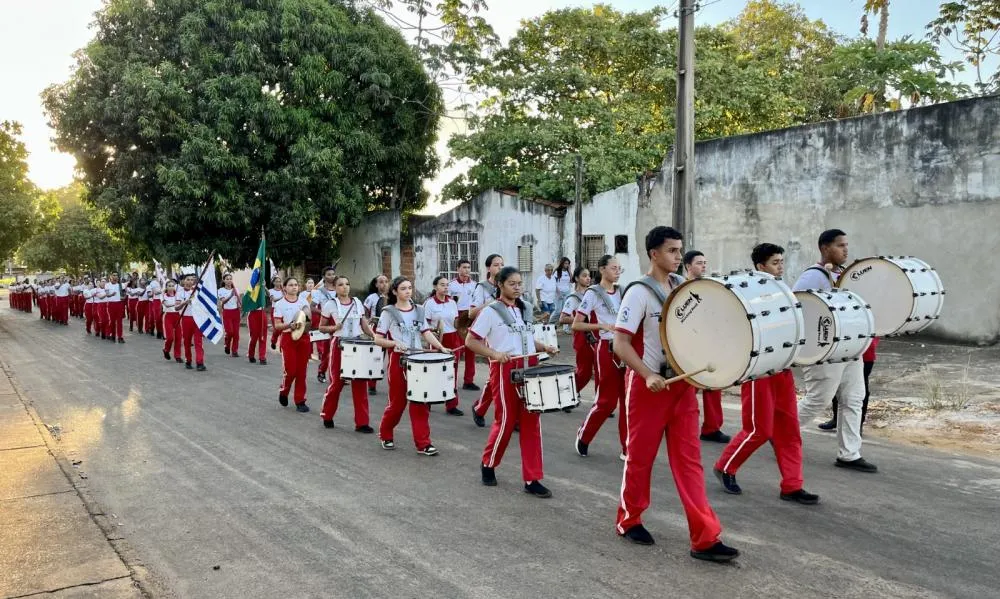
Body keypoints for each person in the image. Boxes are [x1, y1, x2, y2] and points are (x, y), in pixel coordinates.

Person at [612, 226, 738, 562]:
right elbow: (620, 344)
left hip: (683, 388)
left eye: (680, 251)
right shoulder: (637, 292)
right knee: (640, 459)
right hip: (648, 388)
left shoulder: (685, 289)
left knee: (690, 463)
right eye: (672, 251)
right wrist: (647, 374)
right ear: (653, 253)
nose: (678, 257)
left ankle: (705, 538)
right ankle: (629, 519)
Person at [713, 243, 819, 505]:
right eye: (775, 262)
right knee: (759, 429)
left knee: (789, 431)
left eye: (782, 261)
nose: (780, 266)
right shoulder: (746, 294)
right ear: (760, 267)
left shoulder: (784, 293)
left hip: (782, 370)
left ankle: (792, 486)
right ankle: (725, 467)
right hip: (757, 372)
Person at [466, 266, 559, 497]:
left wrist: (545, 347)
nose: (518, 288)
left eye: (520, 284)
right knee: (505, 422)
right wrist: (495, 354)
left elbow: (526, 338)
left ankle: (532, 478)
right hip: (504, 369)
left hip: (530, 367)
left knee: (531, 424)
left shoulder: (526, 309)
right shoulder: (490, 312)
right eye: (512, 284)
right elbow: (471, 341)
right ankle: (488, 464)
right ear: (500, 285)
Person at [793, 229, 877, 473]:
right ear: (824, 248)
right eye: (840, 245)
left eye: (846, 245)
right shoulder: (812, 277)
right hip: (826, 351)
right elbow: (798, 307)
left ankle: (849, 454)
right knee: (818, 399)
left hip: (851, 347)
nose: (846, 250)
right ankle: (781, 433)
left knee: (853, 399)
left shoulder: (844, 275)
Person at [374, 276, 451, 455]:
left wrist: (440, 347)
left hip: (417, 360)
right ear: (395, 291)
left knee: (420, 402)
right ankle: (386, 434)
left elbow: (425, 332)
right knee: (397, 404)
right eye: (403, 288)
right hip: (398, 361)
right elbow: (377, 339)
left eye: (409, 288)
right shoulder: (388, 312)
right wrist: (393, 344)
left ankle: (423, 443)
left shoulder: (419, 310)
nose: (408, 291)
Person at [574, 255, 627, 460]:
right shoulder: (593, 293)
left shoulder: (623, 291)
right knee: (607, 402)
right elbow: (576, 324)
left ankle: (627, 447)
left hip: (625, 347)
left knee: (628, 401)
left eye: (619, 268)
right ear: (602, 269)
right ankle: (584, 436)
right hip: (606, 347)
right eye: (614, 268)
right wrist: (601, 326)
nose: (617, 271)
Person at [682, 250, 730, 444]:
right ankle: (676, 422)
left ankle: (711, 428)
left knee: (712, 384)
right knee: (687, 389)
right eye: (699, 263)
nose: (704, 266)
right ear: (688, 266)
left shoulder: (708, 287)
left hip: (708, 343)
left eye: (705, 262)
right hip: (688, 345)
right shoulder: (681, 288)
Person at [318, 275, 375, 431]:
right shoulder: (330, 304)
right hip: (339, 345)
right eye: (341, 284)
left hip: (357, 344)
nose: (345, 287)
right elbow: (321, 327)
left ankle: (362, 422)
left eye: (347, 284)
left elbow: (363, 324)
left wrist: (375, 337)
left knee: (360, 383)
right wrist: (333, 328)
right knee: (337, 383)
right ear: (335, 288)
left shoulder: (357, 302)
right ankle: (327, 415)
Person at [469, 254, 504, 427]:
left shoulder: (507, 284)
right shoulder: (482, 288)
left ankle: (483, 409)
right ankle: (485, 409)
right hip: (490, 334)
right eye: (496, 265)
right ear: (488, 268)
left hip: (507, 333)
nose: (500, 267)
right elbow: (472, 313)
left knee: (507, 375)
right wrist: (492, 304)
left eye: (502, 264)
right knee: (497, 376)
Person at [818, 337, 879, 433]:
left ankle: (857, 424)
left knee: (859, 389)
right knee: (837, 383)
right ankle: (837, 418)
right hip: (843, 349)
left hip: (863, 349)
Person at [423, 275, 465, 416]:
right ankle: (427, 400)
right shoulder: (429, 304)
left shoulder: (452, 302)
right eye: (442, 285)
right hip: (438, 340)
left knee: (452, 373)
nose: (446, 287)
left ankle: (451, 404)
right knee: (434, 372)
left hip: (453, 338)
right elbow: (425, 324)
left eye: (447, 285)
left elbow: (456, 322)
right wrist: (434, 335)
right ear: (435, 287)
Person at [272, 277, 312, 412]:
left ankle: (300, 400)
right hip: (288, 338)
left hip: (304, 339)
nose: (294, 287)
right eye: (290, 285)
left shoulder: (303, 301)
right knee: (291, 371)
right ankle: (284, 391)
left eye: (296, 285)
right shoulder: (280, 304)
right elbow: (277, 326)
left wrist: (306, 323)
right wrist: (290, 325)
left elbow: (308, 320)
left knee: (302, 372)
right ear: (285, 288)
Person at [559, 266, 596, 393]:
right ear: (576, 278)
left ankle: (601, 402)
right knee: (584, 372)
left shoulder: (593, 294)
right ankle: (568, 394)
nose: (588, 278)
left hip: (596, 336)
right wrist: (578, 320)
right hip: (582, 337)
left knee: (601, 371)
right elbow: (562, 318)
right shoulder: (573, 298)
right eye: (584, 276)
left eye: (589, 275)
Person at [447, 260, 479, 391]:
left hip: (471, 316)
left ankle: (468, 380)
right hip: (458, 317)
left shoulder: (476, 285)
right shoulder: (451, 285)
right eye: (464, 267)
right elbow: (448, 303)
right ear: (458, 269)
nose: (466, 270)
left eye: (468, 267)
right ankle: (450, 380)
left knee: (471, 349)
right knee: (457, 350)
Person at [311, 267, 339, 384]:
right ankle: (322, 371)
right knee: (327, 350)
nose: (331, 276)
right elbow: (312, 307)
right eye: (328, 274)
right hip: (327, 322)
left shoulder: (340, 288)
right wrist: (323, 313)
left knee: (340, 348)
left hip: (339, 322)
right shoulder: (319, 292)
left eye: (333, 274)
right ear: (323, 277)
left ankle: (339, 374)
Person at [363, 274, 390, 395]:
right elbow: (364, 314)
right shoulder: (371, 298)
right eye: (381, 282)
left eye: (386, 281)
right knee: (377, 357)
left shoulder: (393, 297)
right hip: (377, 329)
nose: (384, 284)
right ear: (376, 284)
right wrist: (369, 321)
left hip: (391, 331)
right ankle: (372, 385)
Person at [177, 274, 207, 371]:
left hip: (197, 319)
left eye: (192, 280)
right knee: (187, 341)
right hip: (186, 319)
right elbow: (176, 307)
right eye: (188, 279)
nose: (190, 281)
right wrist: (185, 302)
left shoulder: (197, 292)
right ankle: (188, 360)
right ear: (184, 281)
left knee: (198, 341)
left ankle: (200, 362)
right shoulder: (180, 293)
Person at [218, 273, 241, 358]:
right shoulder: (221, 290)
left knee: (236, 333)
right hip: (227, 312)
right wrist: (231, 295)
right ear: (224, 280)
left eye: (230, 279)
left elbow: (238, 302)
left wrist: (240, 304)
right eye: (227, 279)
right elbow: (222, 302)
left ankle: (234, 351)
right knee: (230, 332)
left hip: (236, 312)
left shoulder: (236, 289)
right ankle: (227, 344)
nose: (229, 280)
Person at [161, 279, 183, 362]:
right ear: (166, 287)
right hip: (168, 317)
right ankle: (166, 350)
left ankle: (177, 356)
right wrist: (176, 304)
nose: (171, 287)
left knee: (178, 337)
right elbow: (166, 305)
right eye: (169, 286)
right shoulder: (163, 295)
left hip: (177, 317)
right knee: (170, 338)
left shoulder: (178, 295)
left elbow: (182, 304)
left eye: (172, 286)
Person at [549, 257, 573, 330]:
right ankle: (550, 323)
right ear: (562, 263)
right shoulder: (557, 272)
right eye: (565, 263)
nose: (567, 265)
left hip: (567, 292)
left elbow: (572, 281)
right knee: (558, 310)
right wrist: (558, 293)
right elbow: (553, 283)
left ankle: (565, 328)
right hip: (558, 292)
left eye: (568, 264)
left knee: (566, 311)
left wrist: (570, 270)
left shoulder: (568, 272)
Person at [104, 273, 125, 343]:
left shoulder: (120, 285)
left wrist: (123, 297)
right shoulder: (107, 285)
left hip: (119, 304)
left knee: (119, 321)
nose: (115, 276)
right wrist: (112, 294)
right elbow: (107, 295)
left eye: (116, 275)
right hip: (111, 304)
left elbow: (124, 294)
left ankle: (120, 337)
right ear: (111, 276)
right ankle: (113, 335)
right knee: (112, 321)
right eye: (114, 275)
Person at [268, 276, 284, 350]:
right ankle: (273, 341)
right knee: (277, 328)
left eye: (279, 281)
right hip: (275, 310)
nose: (278, 283)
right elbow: (273, 300)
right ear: (273, 282)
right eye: (276, 281)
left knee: (283, 329)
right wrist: (282, 297)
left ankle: (282, 346)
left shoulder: (283, 290)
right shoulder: (270, 291)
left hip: (283, 310)